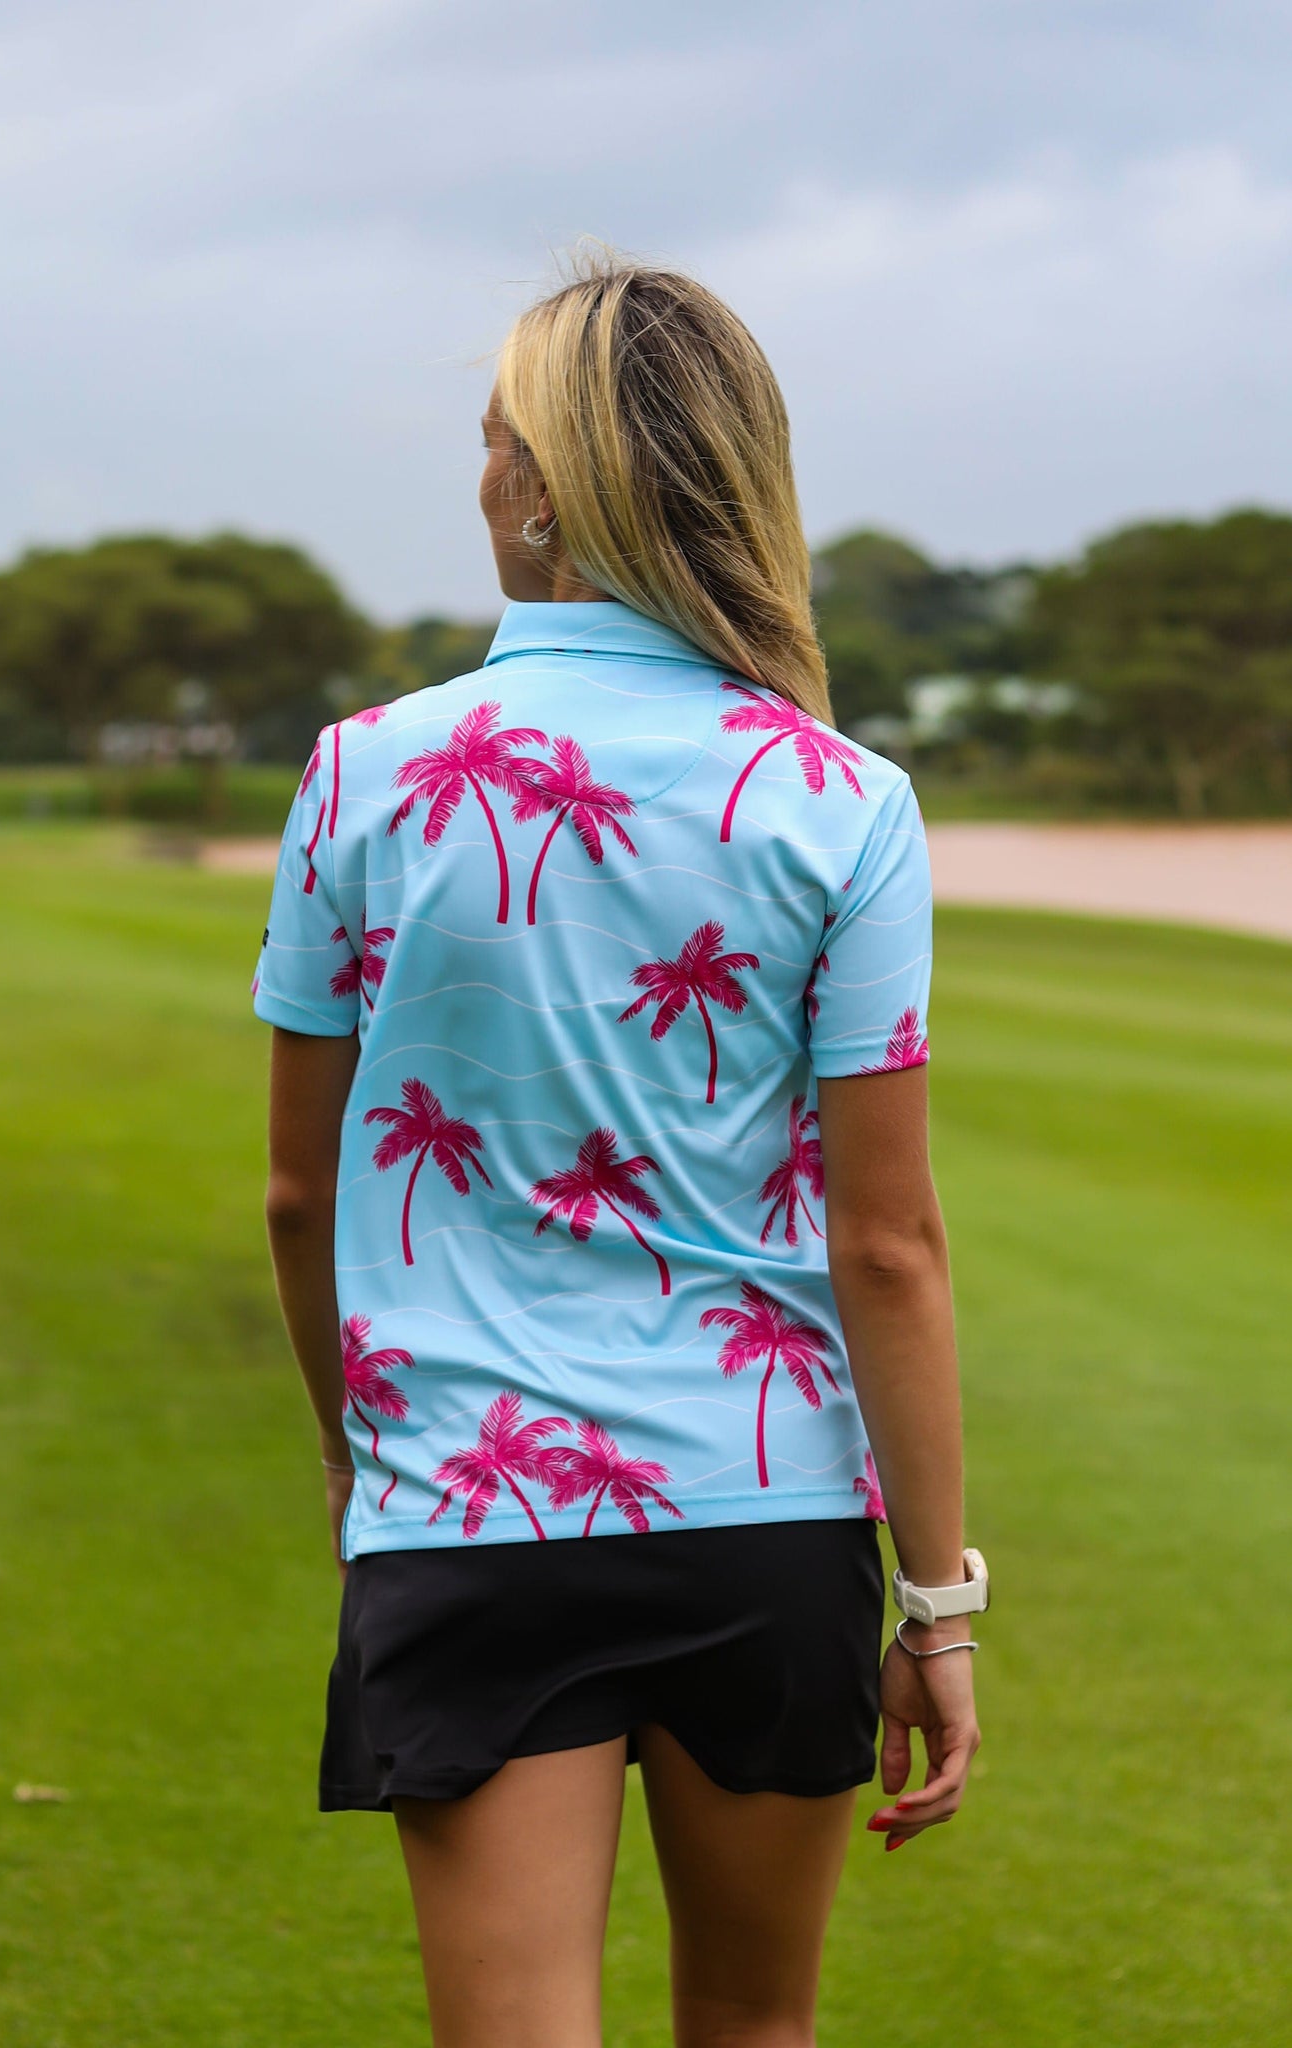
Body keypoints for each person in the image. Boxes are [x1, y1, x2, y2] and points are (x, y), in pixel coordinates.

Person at [252, 247, 985, 2048]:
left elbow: (298, 1195)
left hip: (467, 1504)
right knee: (751, 2026)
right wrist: (938, 1606)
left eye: (489, 439)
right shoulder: (843, 798)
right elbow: (886, 1247)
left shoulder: (361, 773)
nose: (478, 474)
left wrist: (359, 1461)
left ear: (541, 487)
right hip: (767, 1518)